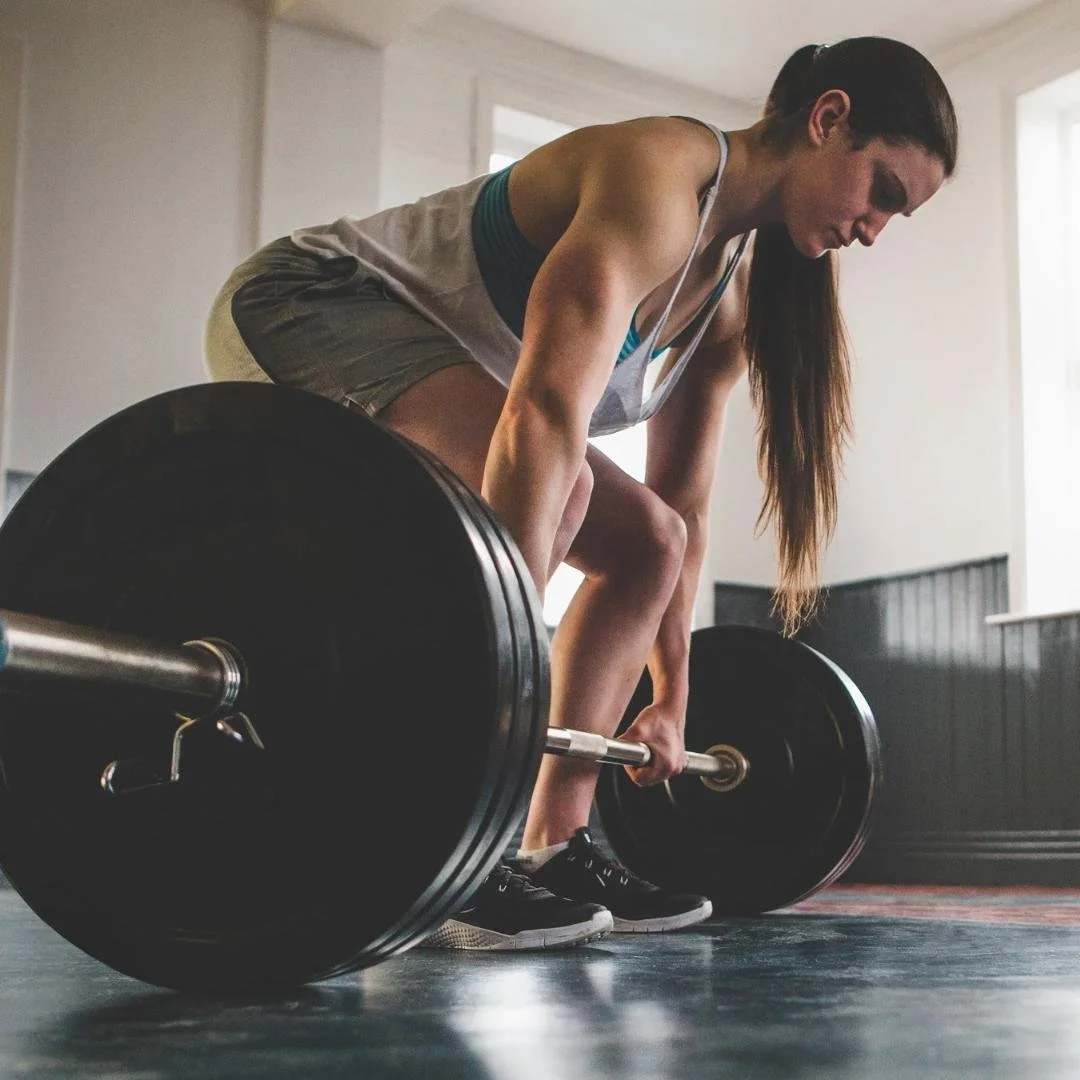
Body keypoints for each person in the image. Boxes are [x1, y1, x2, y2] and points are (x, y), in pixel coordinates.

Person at [205, 37, 958, 951]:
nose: (875, 229)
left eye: (897, 216)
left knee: (649, 541)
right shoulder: (659, 175)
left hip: (444, 377)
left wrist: (674, 693)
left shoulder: (723, 303)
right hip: (309, 302)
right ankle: (454, 847)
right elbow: (544, 417)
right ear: (828, 118)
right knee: (551, 503)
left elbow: (680, 508)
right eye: (882, 191)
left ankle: (554, 845)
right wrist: (506, 663)